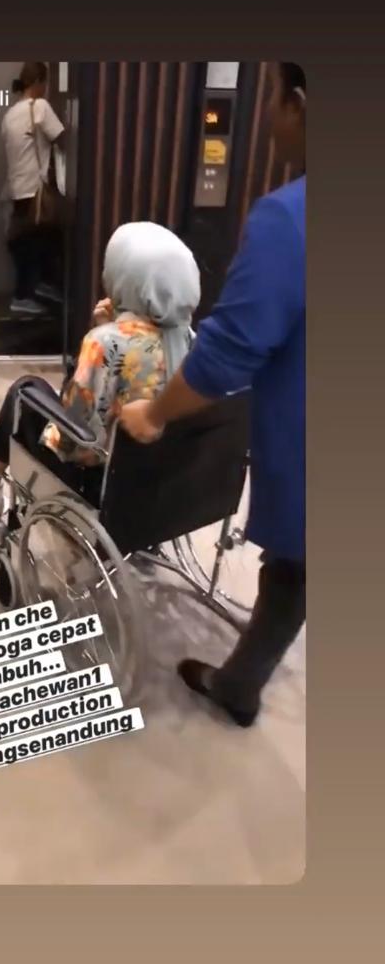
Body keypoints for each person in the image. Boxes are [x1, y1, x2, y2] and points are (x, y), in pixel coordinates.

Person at [120, 63, 306, 729]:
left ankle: (238, 685)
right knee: (299, 570)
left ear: (299, 104)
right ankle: (240, 684)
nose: (270, 115)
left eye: (274, 97)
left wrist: (152, 413)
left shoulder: (291, 218)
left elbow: (229, 351)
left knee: (296, 562)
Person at [0, 221, 201, 540]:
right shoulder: (192, 341)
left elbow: (73, 439)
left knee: (25, 390)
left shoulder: (105, 342)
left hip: (96, 483)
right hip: (160, 484)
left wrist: (99, 336)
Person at [1, 62, 66, 316]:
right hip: (35, 190)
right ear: (39, 81)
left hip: (16, 189)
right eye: (45, 83)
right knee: (42, 240)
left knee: (32, 241)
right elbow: (62, 138)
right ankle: (24, 295)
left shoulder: (10, 115)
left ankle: (39, 286)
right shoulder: (40, 107)